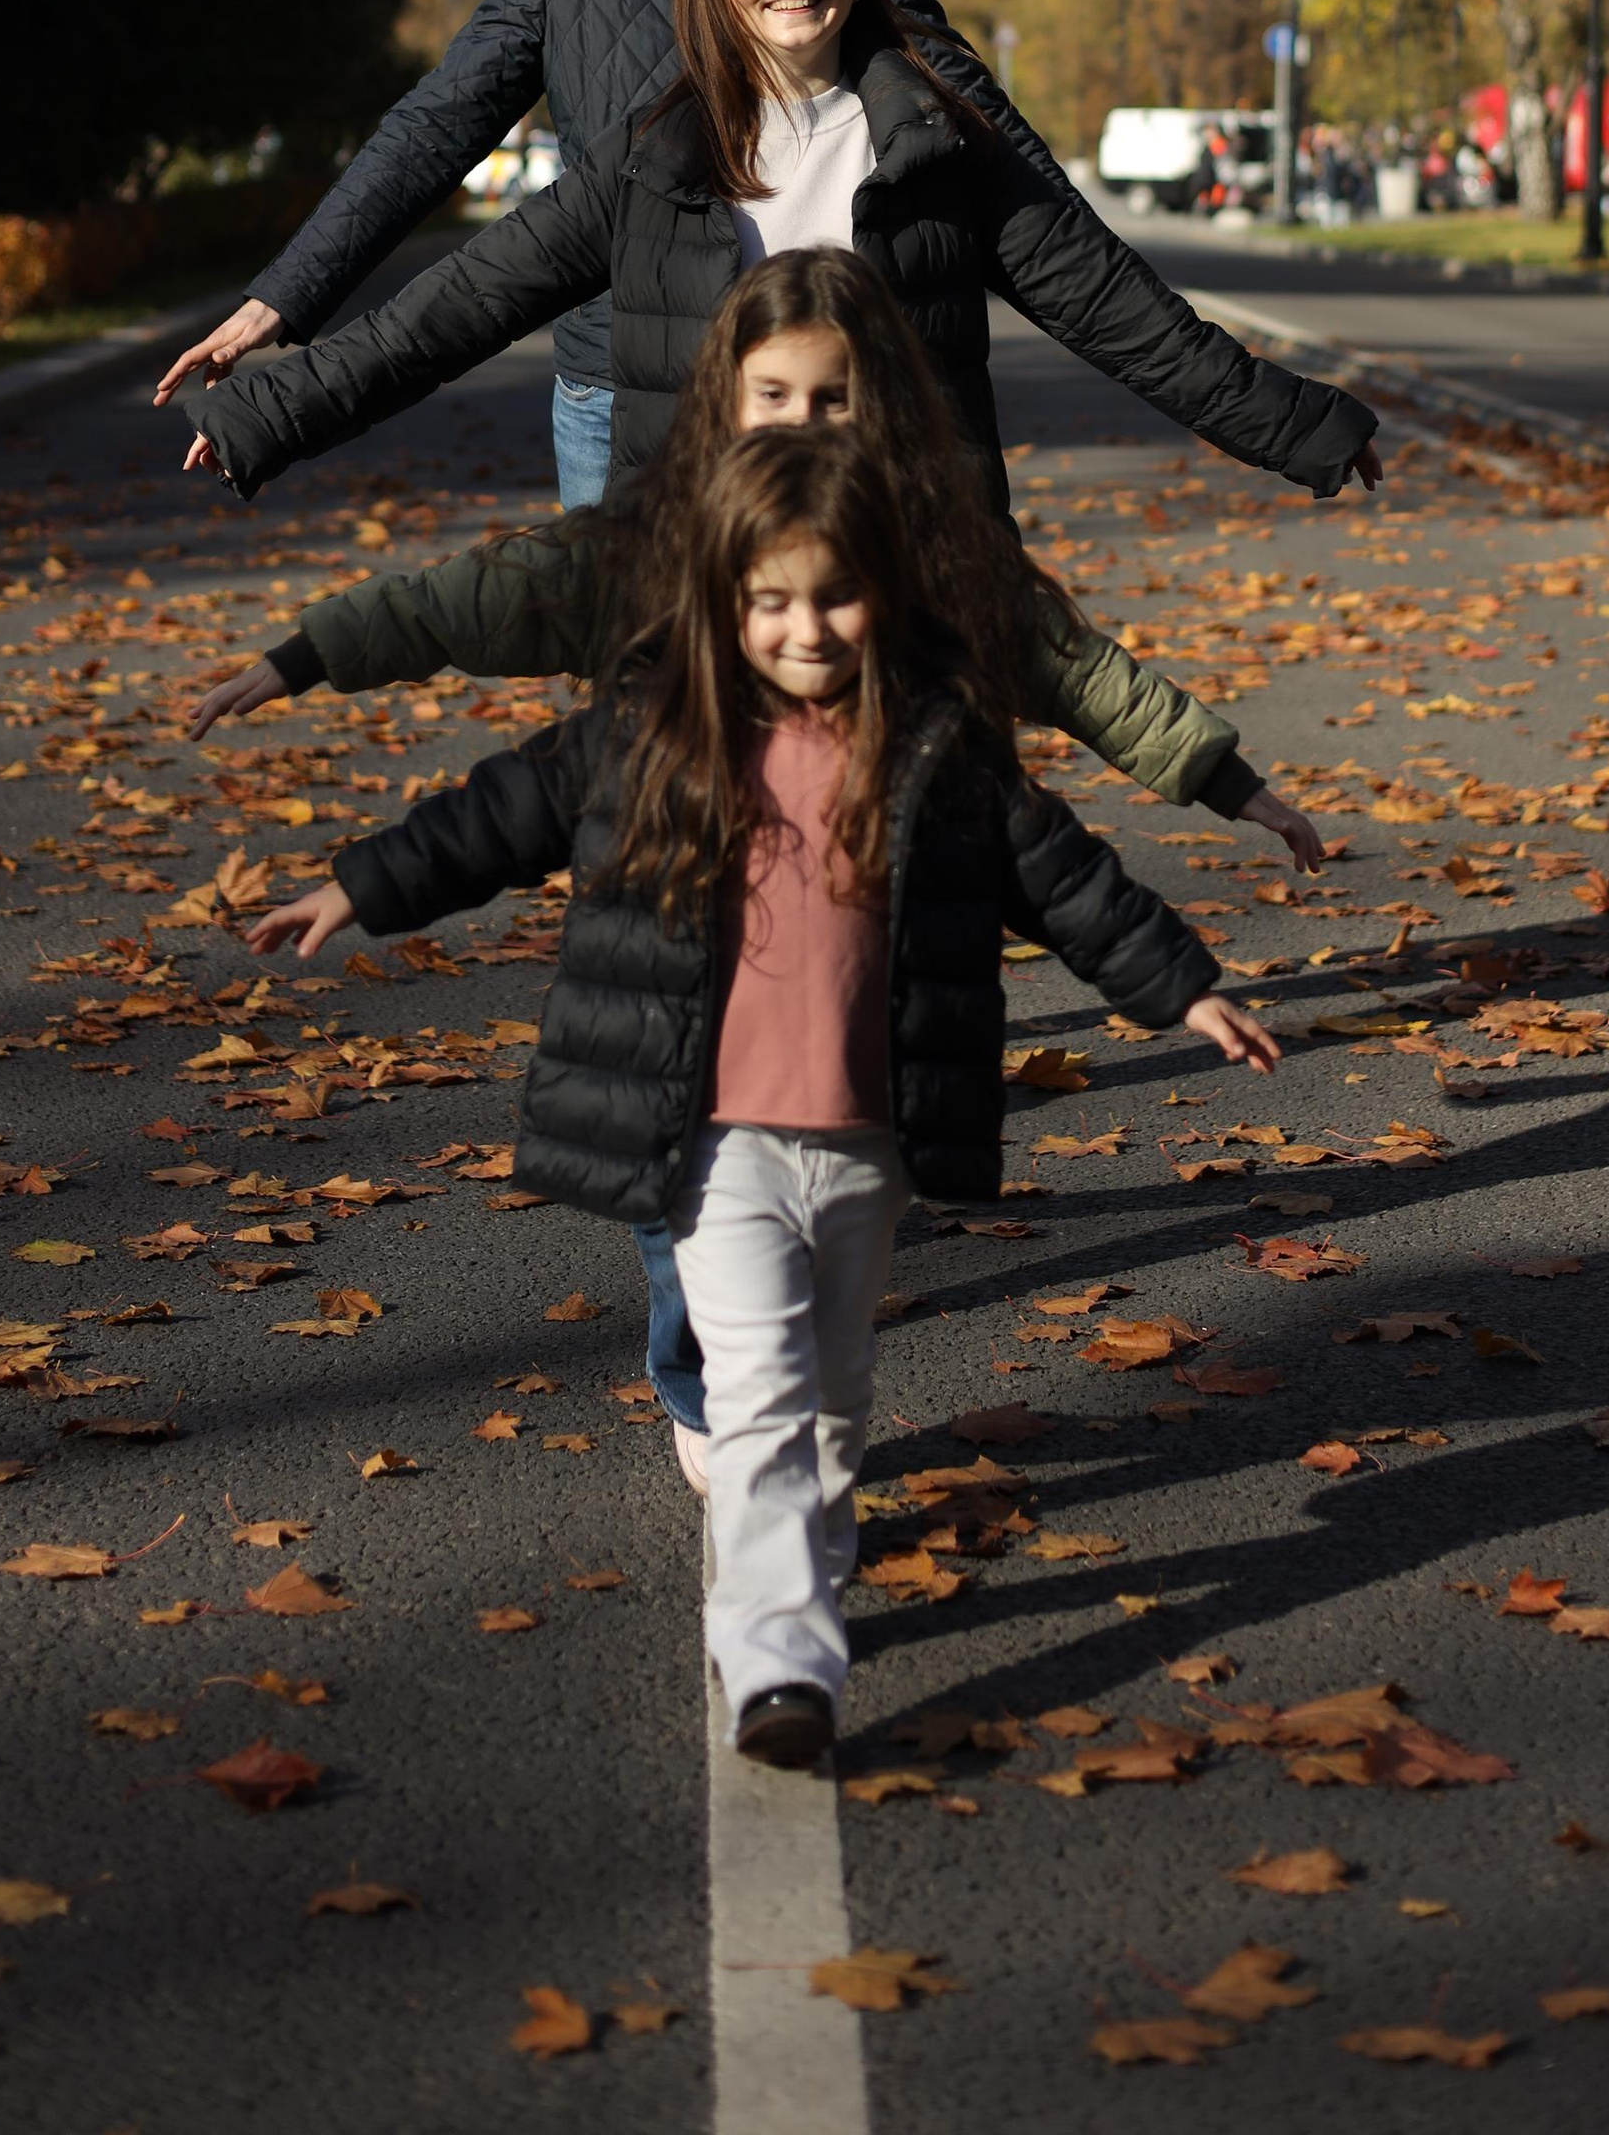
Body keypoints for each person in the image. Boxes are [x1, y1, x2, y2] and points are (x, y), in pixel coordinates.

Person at [183, 247, 1339, 1479]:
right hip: (685, 908)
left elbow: (1078, 675)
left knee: (832, 1247)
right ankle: (709, 1402)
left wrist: (1229, 784)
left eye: (831, 401)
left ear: (877, 404)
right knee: (689, 1183)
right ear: (725, 400)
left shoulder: (935, 548)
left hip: (854, 952)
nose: (801, 425)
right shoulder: (651, 537)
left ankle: (787, 1425)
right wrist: (300, 659)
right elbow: (463, 603)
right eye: (772, 399)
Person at [245, 429, 1274, 1770]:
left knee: (834, 1392)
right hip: (711, 1141)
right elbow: (494, 815)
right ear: (721, 598)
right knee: (768, 1396)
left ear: (888, 593)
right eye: (771, 601)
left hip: (868, 1140)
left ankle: (801, 1549)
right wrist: (360, 887)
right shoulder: (659, 725)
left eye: (835, 596)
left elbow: (1065, 878)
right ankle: (781, 1659)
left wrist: (1182, 987)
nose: (805, 629)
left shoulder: (938, 741)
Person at [179, 0, 1384, 512]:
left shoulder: (935, 143)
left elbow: (1118, 308)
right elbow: (457, 308)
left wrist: (1298, 428)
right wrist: (268, 410)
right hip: (706, 545)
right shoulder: (654, 162)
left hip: (907, 537)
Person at [153, 0, 1057, 509]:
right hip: (617, 391)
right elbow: (432, 133)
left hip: (831, 381)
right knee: (639, 663)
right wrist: (281, 301)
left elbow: (971, 135)